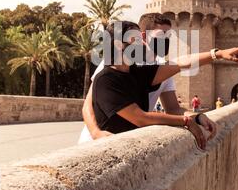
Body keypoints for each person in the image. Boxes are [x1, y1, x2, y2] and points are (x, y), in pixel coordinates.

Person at [89, 20, 238, 149]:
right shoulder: (106, 78)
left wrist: (217, 54)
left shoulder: (137, 73)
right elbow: (140, 118)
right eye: (135, 40)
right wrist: (185, 121)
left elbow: (180, 63)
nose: (142, 44)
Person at [79, 13, 194, 143]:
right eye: (161, 35)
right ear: (144, 36)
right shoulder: (115, 63)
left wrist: (197, 117)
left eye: (168, 36)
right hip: (98, 138)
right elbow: (88, 104)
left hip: (129, 138)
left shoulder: (159, 68)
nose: (166, 40)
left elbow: (173, 109)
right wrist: (95, 132)